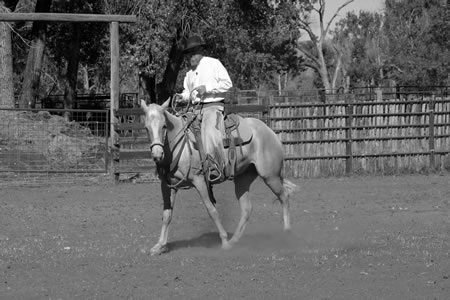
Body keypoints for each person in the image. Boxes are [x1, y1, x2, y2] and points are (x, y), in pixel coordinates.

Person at [175, 35, 233, 182]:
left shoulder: (213, 63)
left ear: (201, 50)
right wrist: (182, 97)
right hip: (194, 110)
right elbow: (188, 93)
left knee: (209, 131)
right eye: (188, 54)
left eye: (193, 52)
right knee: (180, 130)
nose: (190, 57)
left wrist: (207, 89)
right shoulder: (188, 74)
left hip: (213, 106)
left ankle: (213, 166)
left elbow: (227, 83)